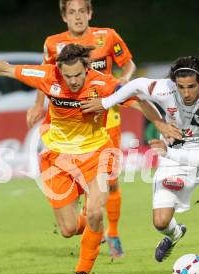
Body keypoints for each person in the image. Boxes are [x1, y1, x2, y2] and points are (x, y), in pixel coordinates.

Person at [0, 44, 179, 274]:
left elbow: (137, 100)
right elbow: (4, 69)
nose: (73, 81)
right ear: (59, 70)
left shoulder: (103, 83)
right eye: (68, 76)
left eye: (78, 75)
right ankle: (93, 228)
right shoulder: (47, 76)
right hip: (58, 159)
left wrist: (160, 124)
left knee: (94, 210)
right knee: (69, 229)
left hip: (97, 154)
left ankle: (82, 272)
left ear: (87, 69)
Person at [81, 55, 199, 274]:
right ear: (174, 83)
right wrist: (105, 103)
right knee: (160, 221)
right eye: (180, 87)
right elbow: (134, 85)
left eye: (191, 86)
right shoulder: (163, 88)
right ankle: (174, 233)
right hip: (174, 149)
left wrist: (168, 152)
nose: (185, 93)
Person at [27, 0, 137, 257]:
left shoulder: (107, 36)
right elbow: (45, 76)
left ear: (90, 13)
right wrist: (37, 106)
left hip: (106, 115)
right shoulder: (53, 43)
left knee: (109, 179)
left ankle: (113, 232)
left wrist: (124, 82)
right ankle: (90, 225)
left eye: (81, 11)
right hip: (70, 117)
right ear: (64, 17)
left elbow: (129, 64)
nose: (77, 17)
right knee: (73, 166)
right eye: (71, 12)